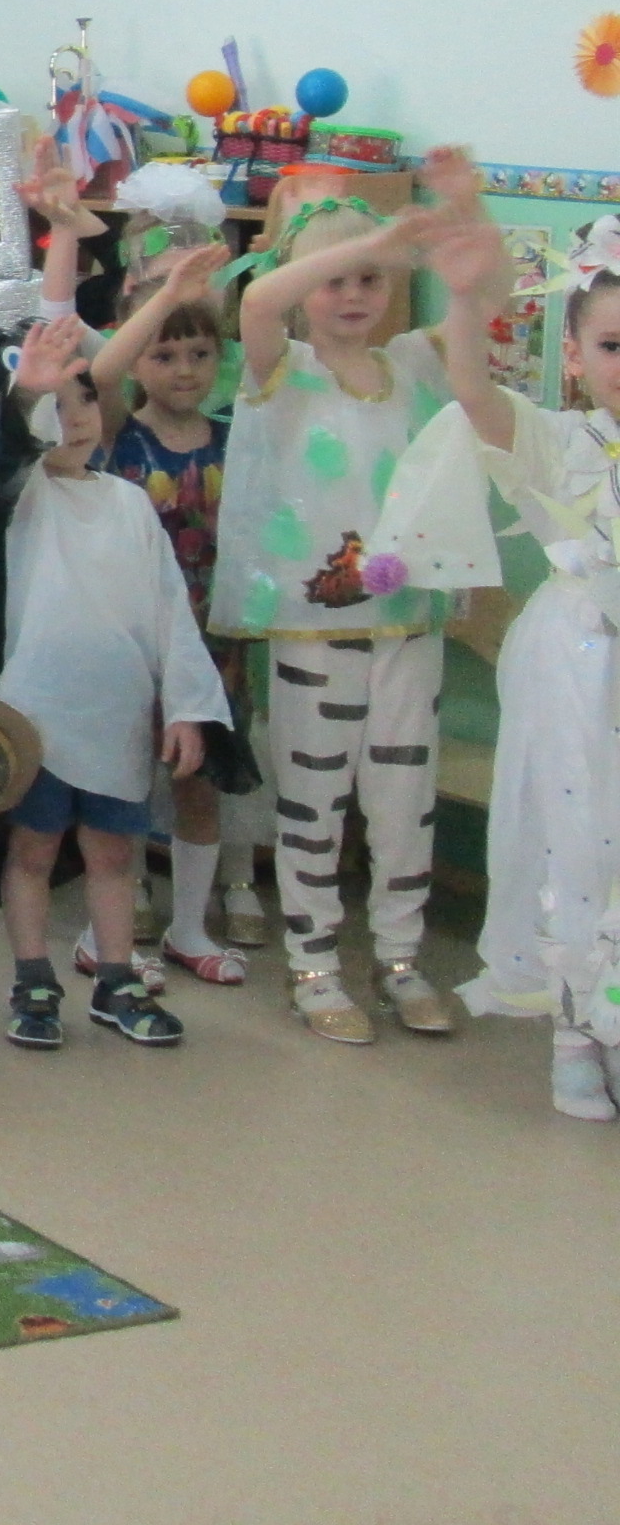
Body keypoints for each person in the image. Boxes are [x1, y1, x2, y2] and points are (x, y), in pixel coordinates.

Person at [401, 174, 620, 1116]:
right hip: (580, 667)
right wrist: (466, 298)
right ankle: (576, 1036)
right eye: (612, 345)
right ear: (573, 354)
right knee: (577, 847)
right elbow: (471, 393)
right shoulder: (562, 444)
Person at [209, 196, 451, 1046]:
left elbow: (481, 304)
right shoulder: (283, 368)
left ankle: (400, 957)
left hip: (409, 620)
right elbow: (257, 302)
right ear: (304, 283)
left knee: (403, 800)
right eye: (335, 278)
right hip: (315, 626)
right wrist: (370, 240)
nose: (352, 294)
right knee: (314, 800)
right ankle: (312, 965)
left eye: (370, 280)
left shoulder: (412, 364)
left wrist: (449, 229)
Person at [0, 317, 232, 1052]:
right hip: (37, 721)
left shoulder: (128, 503)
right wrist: (27, 394)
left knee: (114, 857)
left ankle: (117, 982)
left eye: (84, 397)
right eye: (53, 406)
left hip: (116, 715)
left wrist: (186, 707)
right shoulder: (22, 499)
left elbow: (169, 612)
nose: (76, 417)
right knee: (32, 854)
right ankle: (33, 980)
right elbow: (3, 455)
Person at [89, 240, 270, 969]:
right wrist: (163, 299)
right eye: (164, 355)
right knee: (129, 777)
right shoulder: (118, 435)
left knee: (200, 783)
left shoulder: (235, 438)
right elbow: (99, 374)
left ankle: (190, 923)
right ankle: (126, 889)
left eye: (199, 354)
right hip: (138, 640)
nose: (185, 370)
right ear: (138, 361)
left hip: (214, 640)